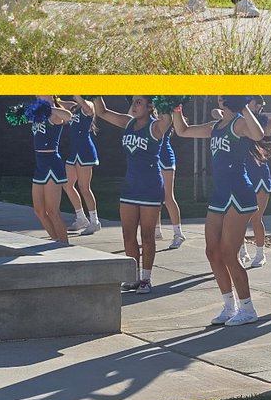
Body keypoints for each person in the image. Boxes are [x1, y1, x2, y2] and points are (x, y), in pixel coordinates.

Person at [171, 96, 267, 325]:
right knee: (212, 251)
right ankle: (229, 305)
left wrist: (244, 104)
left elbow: (259, 135)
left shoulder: (240, 123)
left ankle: (248, 308)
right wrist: (173, 106)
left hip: (239, 193)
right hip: (220, 194)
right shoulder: (215, 127)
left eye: (223, 95)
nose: (219, 97)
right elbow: (183, 130)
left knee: (228, 253)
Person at [79, 96, 174, 295]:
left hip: (150, 187)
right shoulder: (128, 122)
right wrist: (94, 94)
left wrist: (166, 99)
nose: (134, 105)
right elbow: (103, 112)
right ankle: (132, 277)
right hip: (130, 187)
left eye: (139, 102)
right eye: (134, 101)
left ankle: (145, 279)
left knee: (147, 236)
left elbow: (168, 120)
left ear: (150, 107)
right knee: (127, 234)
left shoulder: (156, 127)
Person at [239, 95, 271, 270]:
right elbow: (216, 113)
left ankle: (260, 254)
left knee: (256, 217)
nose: (246, 104)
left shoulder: (266, 123)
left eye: (250, 102)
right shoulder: (241, 121)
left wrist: (261, 113)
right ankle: (242, 250)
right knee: (239, 217)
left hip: (260, 173)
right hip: (242, 171)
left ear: (258, 105)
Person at [28, 95, 73, 243]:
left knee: (53, 211)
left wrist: (50, 107)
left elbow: (68, 115)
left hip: (52, 163)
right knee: (39, 211)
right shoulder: (37, 113)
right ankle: (55, 242)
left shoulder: (54, 114)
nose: (38, 94)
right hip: (39, 163)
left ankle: (65, 245)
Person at [64, 96, 101, 236]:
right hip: (74, 151)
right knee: (67, 185)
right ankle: (81, 218)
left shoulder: (89, 105)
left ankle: (95, 221)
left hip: (85, 151)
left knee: (84, 187)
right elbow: (58, 102)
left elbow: (85, 105)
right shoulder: (74, 106)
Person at [155, 128, 186, 250]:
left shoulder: (165, 112)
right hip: (153, 156)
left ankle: (178, 234)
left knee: (168, 197)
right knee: (155, 196)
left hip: (164, 157)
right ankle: (156, 231)